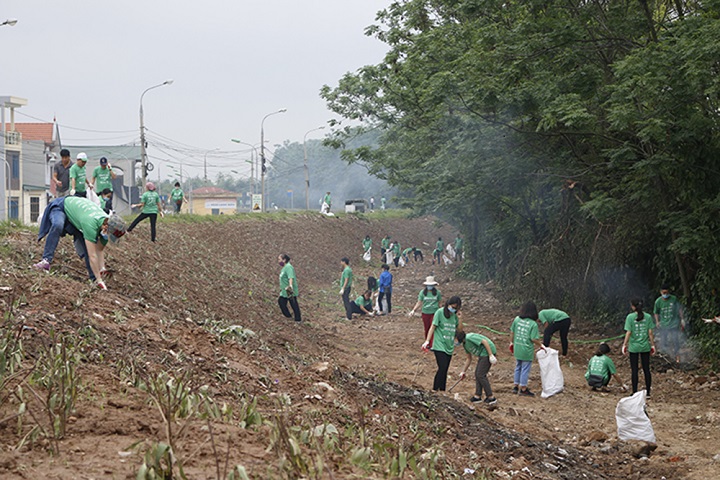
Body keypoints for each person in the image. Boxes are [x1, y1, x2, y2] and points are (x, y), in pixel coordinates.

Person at [33, 196, 126, 289]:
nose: (108, 236)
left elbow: (99, 250)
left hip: (77, 215)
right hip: (61, 206)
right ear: (106, 227)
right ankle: (46, 261)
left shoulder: (105, 223)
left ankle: (93, 280)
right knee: (58, 225)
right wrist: (99, 279)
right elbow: (92, 255)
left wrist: (102, 269)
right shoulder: (90, 224)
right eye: (110, 234)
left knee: (87, 247)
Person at [422, 297, 463, 392]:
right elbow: (433, 327)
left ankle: (442, 390)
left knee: (445, 370)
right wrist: (427, 341)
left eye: (456, 308)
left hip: (449, 346)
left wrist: (460, 319)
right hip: (439, 344)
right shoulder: (439, 312)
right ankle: (435, 389)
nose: (454, 309)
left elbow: (460, 330)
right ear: (448, 304)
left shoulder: (455, 316)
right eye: (453, 307)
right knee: (442, 367)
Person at [510, 301, 546, 397]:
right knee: (525, 369)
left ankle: (515, 386)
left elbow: (512, 332)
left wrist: (511, 342)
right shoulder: (533, 324)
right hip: (527, 350)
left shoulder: (517, 319)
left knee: (518, 367)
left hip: (517, 347)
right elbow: (533, 338)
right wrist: (541, 345)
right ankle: (523, 389)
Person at [622, 298, 656, 396]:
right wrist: (653, 345)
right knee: (646, 369)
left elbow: (629, 332)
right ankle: (648, 392)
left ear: (633, 306)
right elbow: (650, 333)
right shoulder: (648, 317)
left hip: (634, 347)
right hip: (645, 346)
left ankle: (634, 392)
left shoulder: (630, 317)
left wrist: (624, 344)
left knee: (634, 370)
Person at [457, 330, 498, 404]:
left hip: (487, 352)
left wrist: (490, 355)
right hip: (482, 354)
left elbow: (484, 342)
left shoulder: (470, 337)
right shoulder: (465, 344)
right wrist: (463, 371)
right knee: (477, 374)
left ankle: (491, 397)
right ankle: (477, 396)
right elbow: (469, 358)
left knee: (481, 375)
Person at [653, 284, 685, 363]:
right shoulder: (658, 301)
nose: (665, 294)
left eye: (666, 292)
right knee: (664, 341)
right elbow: (656, 312)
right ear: (661, 292)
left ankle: (676, 355)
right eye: (664, 293)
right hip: (664, 324)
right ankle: (667, 356)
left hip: (674, 323)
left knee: (675, 339)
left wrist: (682, 319)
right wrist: (657, 322)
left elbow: (679, 309)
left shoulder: (674, 299)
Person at [409, 276, 442, 342]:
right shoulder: (422, 293)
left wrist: (442, 312)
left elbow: (439, 303)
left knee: (433, 327)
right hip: (425, 313)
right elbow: (419, 302)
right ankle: (427, 341)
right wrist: (413, 310)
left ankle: (432, 343)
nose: (430, 286)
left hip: (434, 313)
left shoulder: (437, 293)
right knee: (427, 328)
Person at [278, 253, 301, 322]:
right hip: (284, 290)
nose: (278, 261)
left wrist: (290, 286)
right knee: (281, 302)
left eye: (279, 259)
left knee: (293, 304)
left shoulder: (289, 267)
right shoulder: (284, 268)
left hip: (289, 289)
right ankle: (288, 317)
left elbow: (290, 277)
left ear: (284, 260)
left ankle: (298, 319)